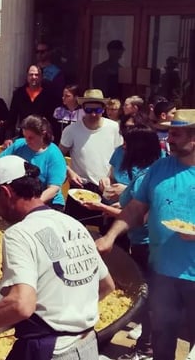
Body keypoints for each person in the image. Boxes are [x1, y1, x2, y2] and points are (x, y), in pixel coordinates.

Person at [0, 156, 115, 359]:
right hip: (87, 346)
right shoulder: (73, 224)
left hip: (50, 352)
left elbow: (21, 304)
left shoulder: (19, 234)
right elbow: (107, 285)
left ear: (6, 192)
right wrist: (69, 311)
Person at [95, 109, 195, 360]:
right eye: (169, 133)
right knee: (162, 337)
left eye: (176, 134)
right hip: (162, 272)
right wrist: (110, 237)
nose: (169, 139)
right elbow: (135, 209)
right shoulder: (160, 168)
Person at [84, 122, 162, 360]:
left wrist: (102, 208)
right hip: (139, 240)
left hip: (146, 243)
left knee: (149, 298)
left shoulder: (147, 176)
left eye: (127, 145)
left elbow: (139, 216)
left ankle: (145, 348)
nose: (123, 148)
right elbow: (132, 204)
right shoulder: (146, 173)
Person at [59, 89, 123, 223]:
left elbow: (121, 157)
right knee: (74, 228)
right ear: (83, 109)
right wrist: (69, 171)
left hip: (107, 187)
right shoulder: (71, 130)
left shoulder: (114, 128)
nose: (93, 114)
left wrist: (110, 177)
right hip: (80, 188)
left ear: (104, 109)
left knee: (106, 229)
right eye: (89, 110)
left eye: (97, 110)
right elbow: (58, 157)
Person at [0, 115, 67, 210]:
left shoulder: (54, 154)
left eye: (31, 138)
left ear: (43, 134)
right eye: (25, 136)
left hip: (49, 202)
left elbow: (53, 189)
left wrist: (33, 205)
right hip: (22, 198)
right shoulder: (19, 145)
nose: (27, 141)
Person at [5, 65, 60, 145]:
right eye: (31, 74)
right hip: (24, 136)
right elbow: (12, 118)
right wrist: (8, 138)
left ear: (41, 77)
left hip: (42, 138)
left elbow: (52, 119)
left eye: (37, 75)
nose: (34, 77)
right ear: (27, 76)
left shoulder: (49, 94)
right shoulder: (19, 93)